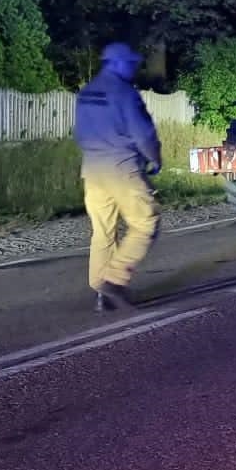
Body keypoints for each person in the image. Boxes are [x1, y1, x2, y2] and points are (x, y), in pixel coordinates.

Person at [74, 42, 162, 313]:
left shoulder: (87, 93)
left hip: (92, 170)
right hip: (121, 168)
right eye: (130, 63)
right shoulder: (124, 93)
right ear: (116, 63)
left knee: (103, 233)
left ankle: (101, 293)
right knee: (146, 223)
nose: (134, 68)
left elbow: (78, 132)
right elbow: (143, 134)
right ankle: (114, 280)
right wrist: (155, 159)